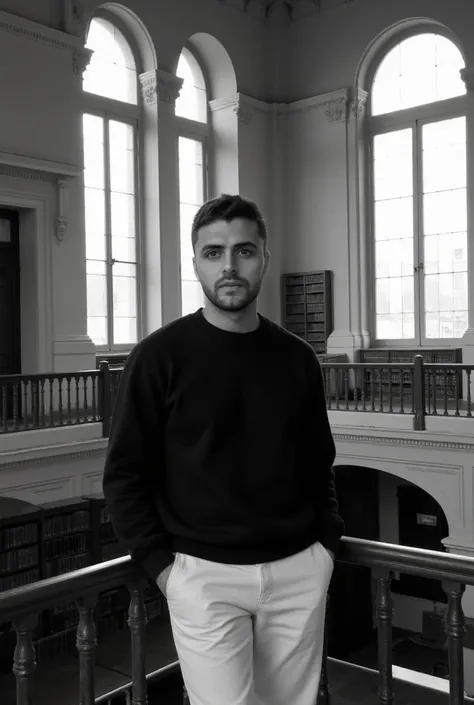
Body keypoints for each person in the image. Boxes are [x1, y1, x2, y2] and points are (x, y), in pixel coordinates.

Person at [102, 193, 344, 705]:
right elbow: (125, 474)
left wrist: (324, 547)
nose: (229, 266)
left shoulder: (298, 358)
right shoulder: (156, 357)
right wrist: (166, 571)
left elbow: (318, 461)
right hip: (203, 578)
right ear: (195, 262)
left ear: (264, 259)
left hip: (299, 569)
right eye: (213, 253)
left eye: (244, 251)